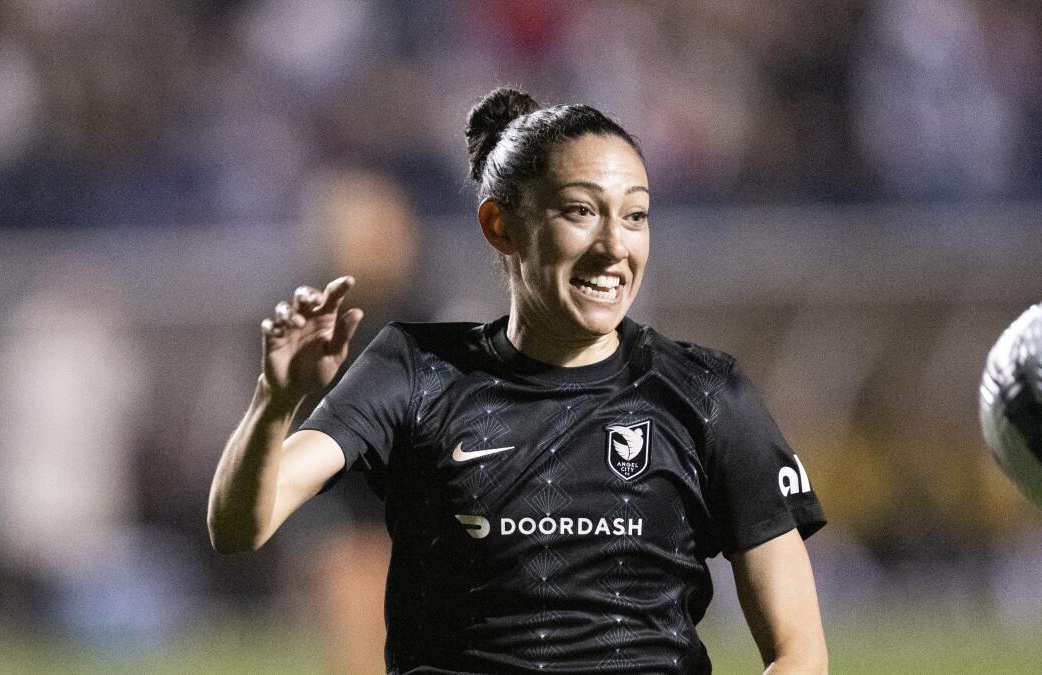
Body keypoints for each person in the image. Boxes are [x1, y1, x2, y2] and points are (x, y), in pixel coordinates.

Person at [208, 88, 828, 674]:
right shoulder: (416, 370)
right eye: (580, 212)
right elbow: (239, 526)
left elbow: (800, 652)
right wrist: (276, 402)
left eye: (635, 215)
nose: (615, 246)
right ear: (501, 225)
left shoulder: (707, 395)